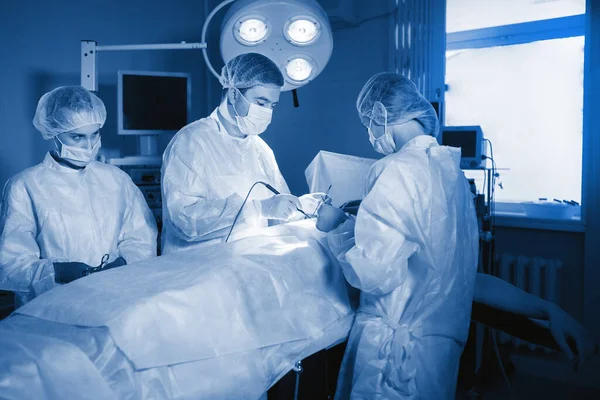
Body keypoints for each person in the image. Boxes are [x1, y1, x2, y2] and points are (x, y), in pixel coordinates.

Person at [318, 72, 480, 399]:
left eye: (368, 124)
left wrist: (338, 225)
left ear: (380, 115)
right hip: (438, 354)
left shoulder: (394, 168)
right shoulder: (451, 170)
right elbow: (436, 254)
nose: (369, 134)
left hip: (392, 359)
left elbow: (374, 275)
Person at [0, 86, 158, 307]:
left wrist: (122, 263)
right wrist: (58, 270)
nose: (89, 146)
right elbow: (11, 264)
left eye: (95, 135)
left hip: (114, 299)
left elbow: (142, 238)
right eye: (77, 137)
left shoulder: (116, 180)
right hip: (50, 307)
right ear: (54, 133)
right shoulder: (25, 186)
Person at [161, 53, 326, 254]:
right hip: (199, 272)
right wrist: (258, 209)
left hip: (249, 266)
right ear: (233, 94)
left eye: (272, 105)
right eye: (261, 102)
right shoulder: (192, 142)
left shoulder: (261, 149)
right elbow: (184, 220)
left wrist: (300, 208)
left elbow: (274, 212)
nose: (267, 111)